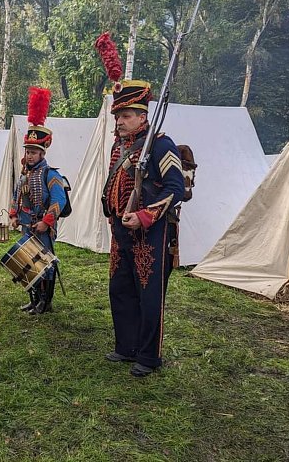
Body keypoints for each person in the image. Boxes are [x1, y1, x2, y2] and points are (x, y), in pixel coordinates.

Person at [102, 79, 184, 378]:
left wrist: (146, 215)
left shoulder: (162, 144)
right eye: (117, 116)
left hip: (151, 233)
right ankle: (127, 346)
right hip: (121, 231)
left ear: (142, 116)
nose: (120, 121)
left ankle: (149, 357)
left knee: (149, 295)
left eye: (126, 116)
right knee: (120, 289)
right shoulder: (118, 146)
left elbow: (177, 188)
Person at [9, 87, 67, 315]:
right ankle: (34, 300)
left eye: (34, 151)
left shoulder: (51, 175)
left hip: (43, 228)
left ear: (42, 153)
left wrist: (47, 221)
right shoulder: (24, 175)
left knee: (45, 265)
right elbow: (17, 196)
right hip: (26, 226)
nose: (30, 154)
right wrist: (14, 215)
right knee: (29, 264)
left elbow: (58, 201)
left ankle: (46, 302)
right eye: (28, 151)